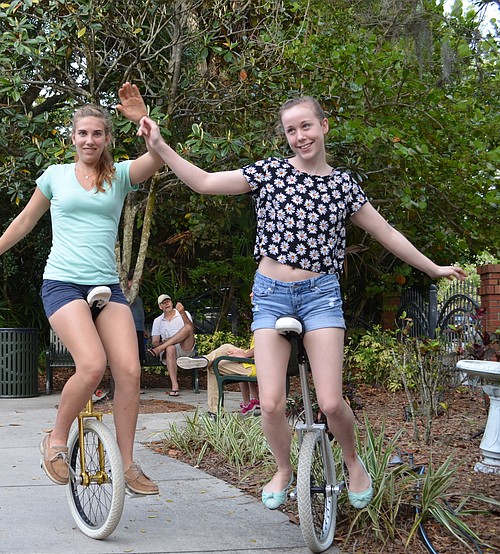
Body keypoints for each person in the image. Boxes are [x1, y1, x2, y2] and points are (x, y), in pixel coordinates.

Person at [137, 96, 466, 510]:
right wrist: (160, 145)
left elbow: (388, 233)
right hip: (271, 296)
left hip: (321, 296)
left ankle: (351, 460)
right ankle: (283, 469)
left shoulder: (343, 185)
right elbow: (203, 182)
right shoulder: (270, 172)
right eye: (291, 130)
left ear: (324, 127)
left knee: (330, 401)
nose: (299, 136)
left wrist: (433, 267)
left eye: (306, 126)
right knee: (271, 402)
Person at [0, 83, 163, 495]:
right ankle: (54, 441)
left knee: (129, 370)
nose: (90, 140)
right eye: (83, 133)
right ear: (73, 137)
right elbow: (23, 222)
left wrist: (143, 121)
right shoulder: (54, 177)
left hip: (107, 286)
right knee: (90, 365)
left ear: (107, 138)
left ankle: (126, 463)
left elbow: (159, 158)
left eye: (98, 133)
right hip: (63, 283)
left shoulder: (121, 175)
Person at [177, 343, 259, 415]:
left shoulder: (266, 327)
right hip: (254, 361)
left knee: (213, 367)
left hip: (259, 367)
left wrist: (245, 355)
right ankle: (205, 359)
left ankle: (214, 411)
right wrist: (244, 352)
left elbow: (262, 346)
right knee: (227, 347)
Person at [150, 295, 195, 396]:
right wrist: (164, 343)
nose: (166, 304)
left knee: (187, 327)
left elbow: (191, 329)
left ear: (172, 302)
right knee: (170, 347)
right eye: (163, 303)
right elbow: (154, 342)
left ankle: (160, 349)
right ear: (160, 307)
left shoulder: (184, 313)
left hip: (185, 347)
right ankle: (175, 386)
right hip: (169, 352)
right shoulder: (158, 321)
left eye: (168, 301)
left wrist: (182, 313)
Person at [126, 270, 147, 364]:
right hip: (130, 331)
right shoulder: (126, 295)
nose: (139, 284)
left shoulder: (136, 296)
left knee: (140, 359)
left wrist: (143, 330)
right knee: (133, 359)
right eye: (136, 281)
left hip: (139, 330)